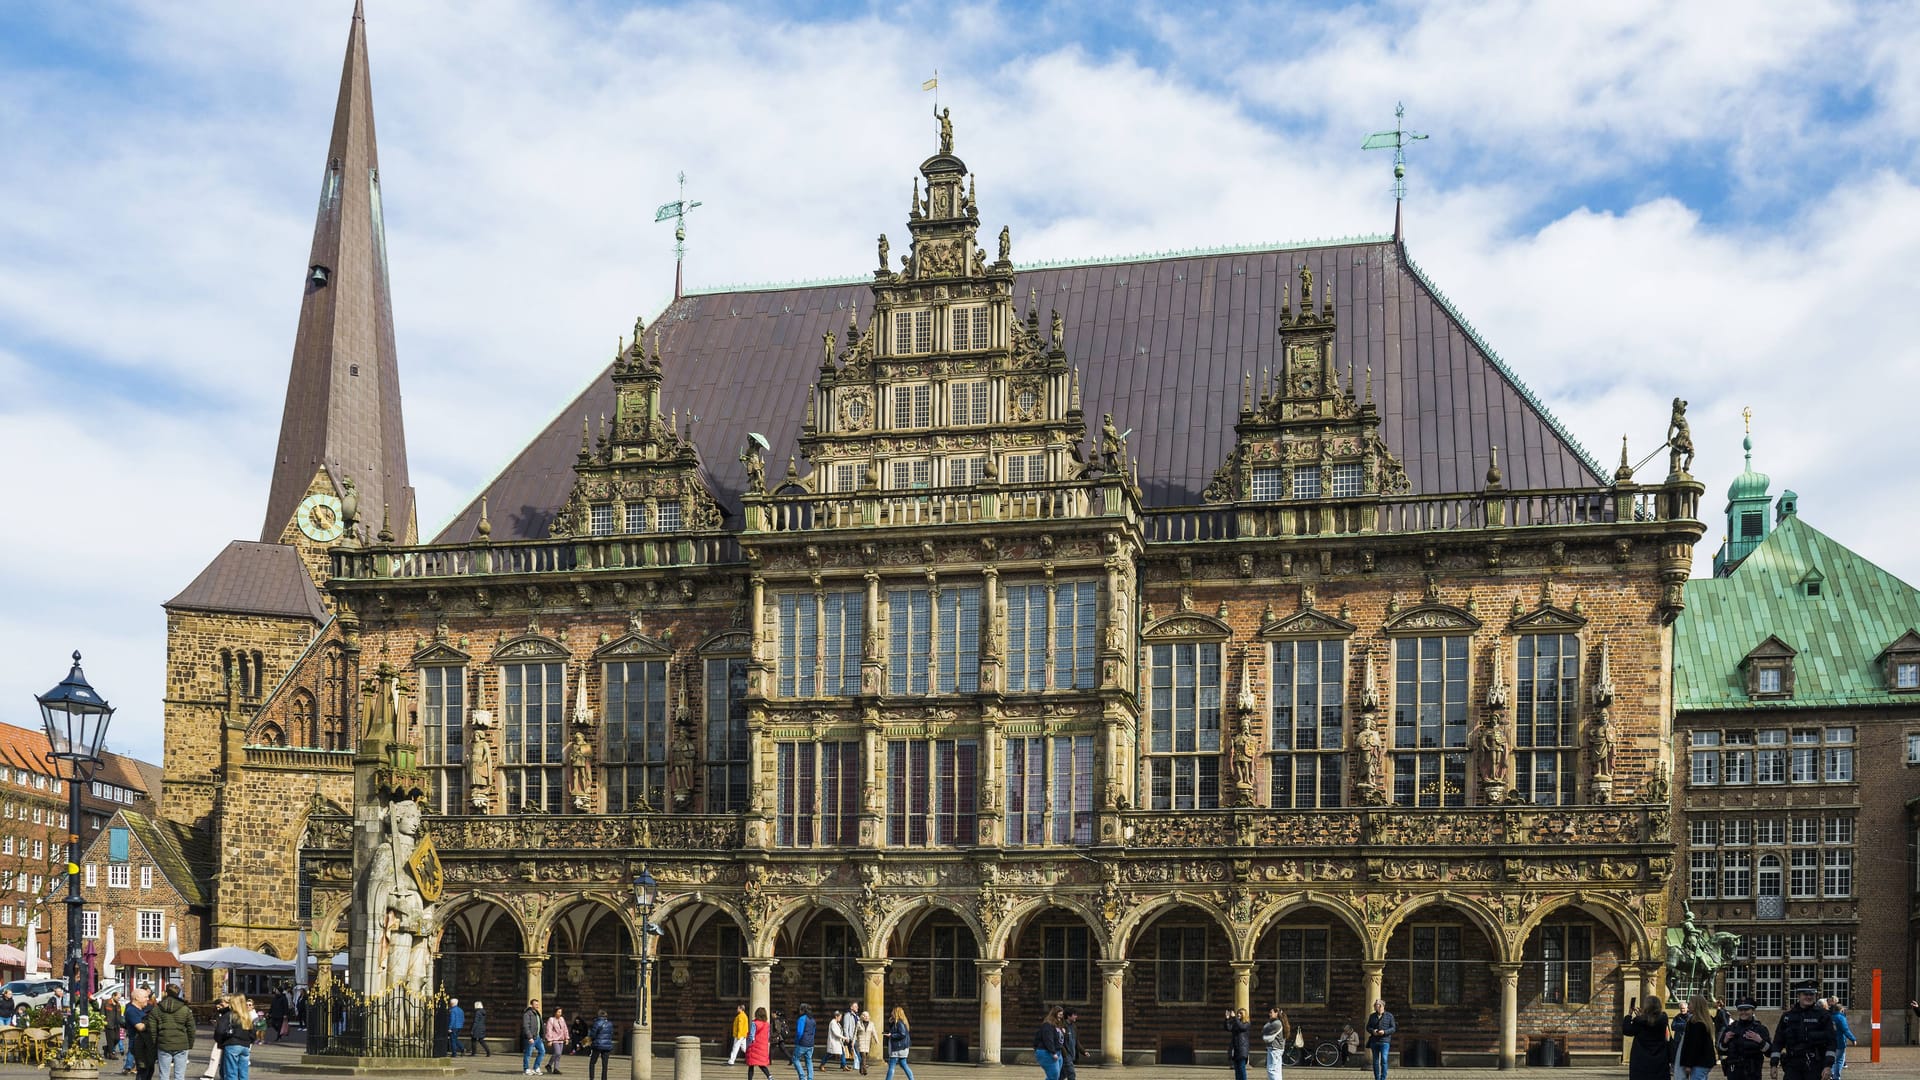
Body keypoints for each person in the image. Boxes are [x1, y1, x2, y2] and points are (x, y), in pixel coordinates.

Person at [1772, 986, 1835, 1080]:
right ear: (1798, 996)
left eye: (1811, 994)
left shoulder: (1823, 1015)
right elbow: (1778, 1041)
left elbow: (1832, 1042)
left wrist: (1828, 1066)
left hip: (1815, 1065)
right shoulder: (1787, 1016)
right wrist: (1774, 1064)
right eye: (1805, 994)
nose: (1809, 997)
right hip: (1792, 1065)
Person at [153, 982, 196, 1080]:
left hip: (164, 1043)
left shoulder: (157, 1009)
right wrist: (189, 1043)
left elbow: (152, 1029)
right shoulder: (185, 1009)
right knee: (179, 1075)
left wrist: (155, 1042)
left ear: (166, 992)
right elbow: (191, 1028)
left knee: (164, 1074)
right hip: (181, 1043)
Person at [1718, 1002, 1771, 1080]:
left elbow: (1769, 1052)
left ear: (1753, 1010)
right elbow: (1721, 1051)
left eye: (1746, 1010)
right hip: (1734, 1072)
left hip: (1753, 1073)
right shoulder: (1731, 1028)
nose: (1743, 1012)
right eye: (1740, 1010)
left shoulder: (1760, 1029)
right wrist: (1725, 1041)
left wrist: (1760, 1041)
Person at [1623, 995, 1671, 1080]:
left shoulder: (1639, 1022)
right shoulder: (1663, 1019)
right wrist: (1642, 1016)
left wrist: (1629, 1015)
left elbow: (1626, 1030)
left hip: (1641, 1061)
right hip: (1659, 1059)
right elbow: (1651, 1020)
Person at [214, 993, 254, 1080]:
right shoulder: (247, 1016)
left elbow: (219, 1031)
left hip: (232, 1044)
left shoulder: (229, 1015)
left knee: (231, 1073)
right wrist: (249, 1041)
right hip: (245, 1046)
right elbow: (252, 1033)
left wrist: (220, 1041)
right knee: (243, 1073)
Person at [1675, 995, 1716, 1080]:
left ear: (1696, 1005)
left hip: (1698, 1063)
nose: (1688, 1005)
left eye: (1690, 1003)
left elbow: (1693, 1046)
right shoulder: (1704, 1021)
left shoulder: (1697, 1023)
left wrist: (1688, 1064)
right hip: (1703, 1062)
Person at [126, 985, 156, 1079]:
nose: (148, 999)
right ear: (137, 998)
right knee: (143, 1071)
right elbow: (140, 1027)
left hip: (147, 1045)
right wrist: (153, 1022)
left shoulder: (142, 1010)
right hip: (138, 1046)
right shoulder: (131, 1010)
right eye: (145, 997)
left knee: (150, 1070)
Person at [1364, 999, 1396, 1080]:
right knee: (1375, 1061)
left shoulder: (1389, 1016)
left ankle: (1383, 1078)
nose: (1374, 1006)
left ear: (1381, 1006)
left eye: (1376, 1005)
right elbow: (1368, 1027)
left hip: (1385, 1041)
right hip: (1374, 1041)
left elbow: (1393, 1028)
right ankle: (1377, 1078)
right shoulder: (1372, 1016)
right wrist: (1373, 1031)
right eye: (1374, 1005)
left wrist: (1384, 1032)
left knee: (1384, 1060)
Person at [1034, 1006, 1067, 1080]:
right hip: (1046, 1052)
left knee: (1056, 1076)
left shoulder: (1058, 1025)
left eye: (1062, 1016)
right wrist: (1053, 1052)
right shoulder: (1048, 1025)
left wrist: (1063, 1032)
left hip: (1058, 1052)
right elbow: (1048, 1039)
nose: (1061, 1018)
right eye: (1059, 1015)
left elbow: (1058, 1039)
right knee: (1053, 1076)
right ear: (1054, 1014)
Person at [883, 1007, 914, 1080]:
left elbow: (902, 1034)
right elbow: (897, 1031)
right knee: (904, 1064)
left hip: (897, 1048)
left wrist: (891, 1035)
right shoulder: (901, 1022)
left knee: (891, 1066)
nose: (891, 1013)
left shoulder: (899, 1022)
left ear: (896, 1013)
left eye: (893, 1012)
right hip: (902, 1048)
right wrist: (891, 1023)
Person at [1830, 1000, 1857, 1080]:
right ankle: (1836, 1077)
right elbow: (1845, 1030)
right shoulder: (1841, 1018)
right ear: (1841, 1010)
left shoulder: (1831, 1017)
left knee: (1833, 1060)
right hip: (1840, 1042)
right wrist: (1853, 1039)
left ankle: (1831, 1074)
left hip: (1831, 1042)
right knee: (1839, 1060)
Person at [1222, 1007, 1251, 1080]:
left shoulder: (1247, 1023)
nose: (1238, 1014)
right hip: (1235, 1049)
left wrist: (1235, 1018)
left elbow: (1241, 1027)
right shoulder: (1236, 1023)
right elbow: (1228, 1028)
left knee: (1241, 1069)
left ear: (1244, 1015)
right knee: (1237, 1070)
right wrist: (1227, 1019)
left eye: (1240, 1013)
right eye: (1238, 1013)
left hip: (1242, 1049)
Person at [746, 1007, 774, 1080]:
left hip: (754, 1046)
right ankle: (769, 1077)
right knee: (761, 1064)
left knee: (751, 1065)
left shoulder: (754, 1023)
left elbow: (752, 1035)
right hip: (763, 1046)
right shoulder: (767, 1024)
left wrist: (749, 1044)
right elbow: (768, 1035)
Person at [1260, 1006, 1287, 1080]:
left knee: (1272, 1070)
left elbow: (1264, 1029)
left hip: (1274, 1049)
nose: (1269, 1014)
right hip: (1277, 1049)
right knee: (1277, 1070)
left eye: (1271, 1012)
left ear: (1276, 1013)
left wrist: (1269, 1022)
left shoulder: (1276, 1023)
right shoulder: (1279, 1022)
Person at [588, 1009, 615, 1080]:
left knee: (592, 1063)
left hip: (597, 1045)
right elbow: (611, 1034)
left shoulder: (596, 1023)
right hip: (607, 1046)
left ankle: (592, 1078)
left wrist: (587, 1042)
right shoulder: (610, 1024)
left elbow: (592, 1035)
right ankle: (604, 1078)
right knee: (605, 1065)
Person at [793, 1003, 817, 1080]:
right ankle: (810, 1078)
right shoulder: (813, 1020)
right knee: (809, 1061)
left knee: (795, 1059)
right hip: (811, 1044)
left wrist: (796, 1041)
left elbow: (799, 1032)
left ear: (802, 1010)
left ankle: (802, 1076)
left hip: (802, 1043)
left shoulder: (802, 1019)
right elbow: (813, 1032)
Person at [523, 999, 547, 1076]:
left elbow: (540, 1025)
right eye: (535, 1004)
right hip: (531, 1037)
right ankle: (526, 1068)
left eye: (537, 1004)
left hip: (538, 1037)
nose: (537, 1005)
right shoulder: (527, 1014)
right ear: (531, 1005)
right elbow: (526, 1026)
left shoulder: (537, 1013)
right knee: (528, 1054)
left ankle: (536, 1067)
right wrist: (530, 1037)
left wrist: (542, 1035)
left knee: (542, 1052)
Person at [545, 1006, 570, 1075]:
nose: (560, 1014)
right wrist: (549, 1040)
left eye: (561, 1012)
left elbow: (565, 1029)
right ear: (555, 1012)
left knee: (558, 1054)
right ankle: (550, 1065)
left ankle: (555, 1068)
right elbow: (549, 1030)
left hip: (561, 1039)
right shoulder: (551, 1019)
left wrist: (566, 1038)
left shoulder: (562, 1019)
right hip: (554, 1039)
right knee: (557, 1053)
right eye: (558, 1012)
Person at [1060, 1007, 1081, 1080]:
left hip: (1072, 1055)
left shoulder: (1074, 1026)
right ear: (1069, 1016)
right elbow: (1060, 1042)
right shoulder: (1062, 1026)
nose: (1076, 1016)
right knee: (1071, 1074)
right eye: (1074, 1015)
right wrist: (1065, 1053)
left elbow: (1076, 1041)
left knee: (1062, 1075)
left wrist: (1083, 1051)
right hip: (1065, 1055)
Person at [856, 1010, 877, 1077]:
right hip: (861, 1041)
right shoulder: (858, 1023)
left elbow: (874, 1032)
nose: (866, 1017)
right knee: (863, 1056)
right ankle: (864, 1070)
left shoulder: (871, 1024)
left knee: (865, 1056)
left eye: (867, 1016)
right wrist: (853, 1041)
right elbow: (855, 1033)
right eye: (864, 1016)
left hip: (868, 1042)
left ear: (869, 1017)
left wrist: (876, 1039)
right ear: (862, 1016)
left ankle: (861, 1068)